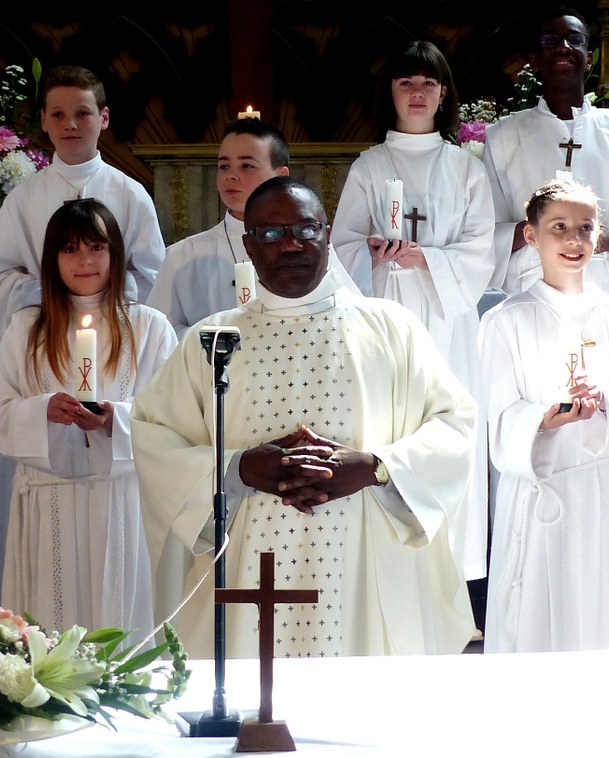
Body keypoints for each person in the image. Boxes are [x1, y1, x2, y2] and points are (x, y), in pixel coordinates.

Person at [132, 176, 475, 658]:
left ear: (327, 235)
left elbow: (454, 424)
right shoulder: (212, 340)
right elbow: (155, 438)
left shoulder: (391, 328)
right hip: (247, 559)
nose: (290, 244)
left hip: (361, 557)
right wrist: (238, 468)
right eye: (271, 233)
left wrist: (375, 467)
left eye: (305, 229)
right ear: (249, 245)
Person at [332, 40, 496, 583]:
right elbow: (340, 247)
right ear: (391, 93)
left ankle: (454, 575)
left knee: (449, 431)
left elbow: (481, 250)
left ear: (444, 93)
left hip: (447, 316)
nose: (417, 92)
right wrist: (374, 252)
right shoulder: (370, 166)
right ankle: (394, 573)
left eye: (428, 82)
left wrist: (426, 257)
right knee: (391, 432)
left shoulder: (465, 168)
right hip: (386, 314)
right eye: (406, 82)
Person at [478, 179, 609, 652]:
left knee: (602, 614)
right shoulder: (505, 320)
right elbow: (498, 412)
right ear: (531, 236)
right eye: (559, 227)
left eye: (585, 228)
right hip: (537, 489)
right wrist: (542, 418)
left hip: (600, 488)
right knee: (535, 621)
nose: (574, 239)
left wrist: (606, 400)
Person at [0, 199, 176, 637]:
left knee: (120, 623)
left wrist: (114, 420)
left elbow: (172, 415)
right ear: (51, 260)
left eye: (96, 247)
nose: (85, 260)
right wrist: (42, 412)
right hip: (48, 500)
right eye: (70, 249)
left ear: (116, 253)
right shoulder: (27, 328)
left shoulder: (149, 327)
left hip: (121, 498)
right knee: (51, 626)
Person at [0, 64, 166, 371]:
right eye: (58, 115)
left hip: (117, 341)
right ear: (44, 120)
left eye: (83, 113)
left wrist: (101, 293)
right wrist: (50, 292)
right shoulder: (24, 198)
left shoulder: (130, 193)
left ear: (104, 117)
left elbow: (156, 278)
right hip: (47, 337)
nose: (70, 125)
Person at [481, 7, 609, 300]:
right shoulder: (504, 135)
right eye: (550, 41)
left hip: (604, 287)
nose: (563, 47)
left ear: (589, 58)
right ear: (534, 60)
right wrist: (541, 232)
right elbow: (485, 231)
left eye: (574, 40)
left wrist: (596, 237)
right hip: (531, 286)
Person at [146, 118, 359, 335]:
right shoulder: (182, 256)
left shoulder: (308, 244)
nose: (231, 175)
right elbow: (158, 334)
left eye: (247, 166)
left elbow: (348, 317)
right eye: (224, 166)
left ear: (280, 176)